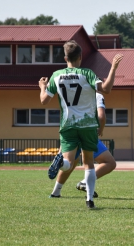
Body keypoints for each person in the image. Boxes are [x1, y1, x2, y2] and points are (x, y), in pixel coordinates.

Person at [39, 40, 123, 208]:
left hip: (68, 124)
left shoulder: (56, 75)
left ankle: (61, 163)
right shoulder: (87, 74)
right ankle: (89, 200)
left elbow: (44, 101)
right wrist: (113, 68)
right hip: (87, 125)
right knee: (89, 163)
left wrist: (42, 86)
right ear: (81, 56)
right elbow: (106, 89)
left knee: (69, 162)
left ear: (65, 58)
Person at [49, 92, 116, 198]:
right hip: (87, 133)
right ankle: (85, 183)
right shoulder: (96, 95)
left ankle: (56, 191)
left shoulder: (71, 93)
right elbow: (101, 116)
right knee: (108, 163)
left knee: (70, 163)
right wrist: (100, 129)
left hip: (70, 132)